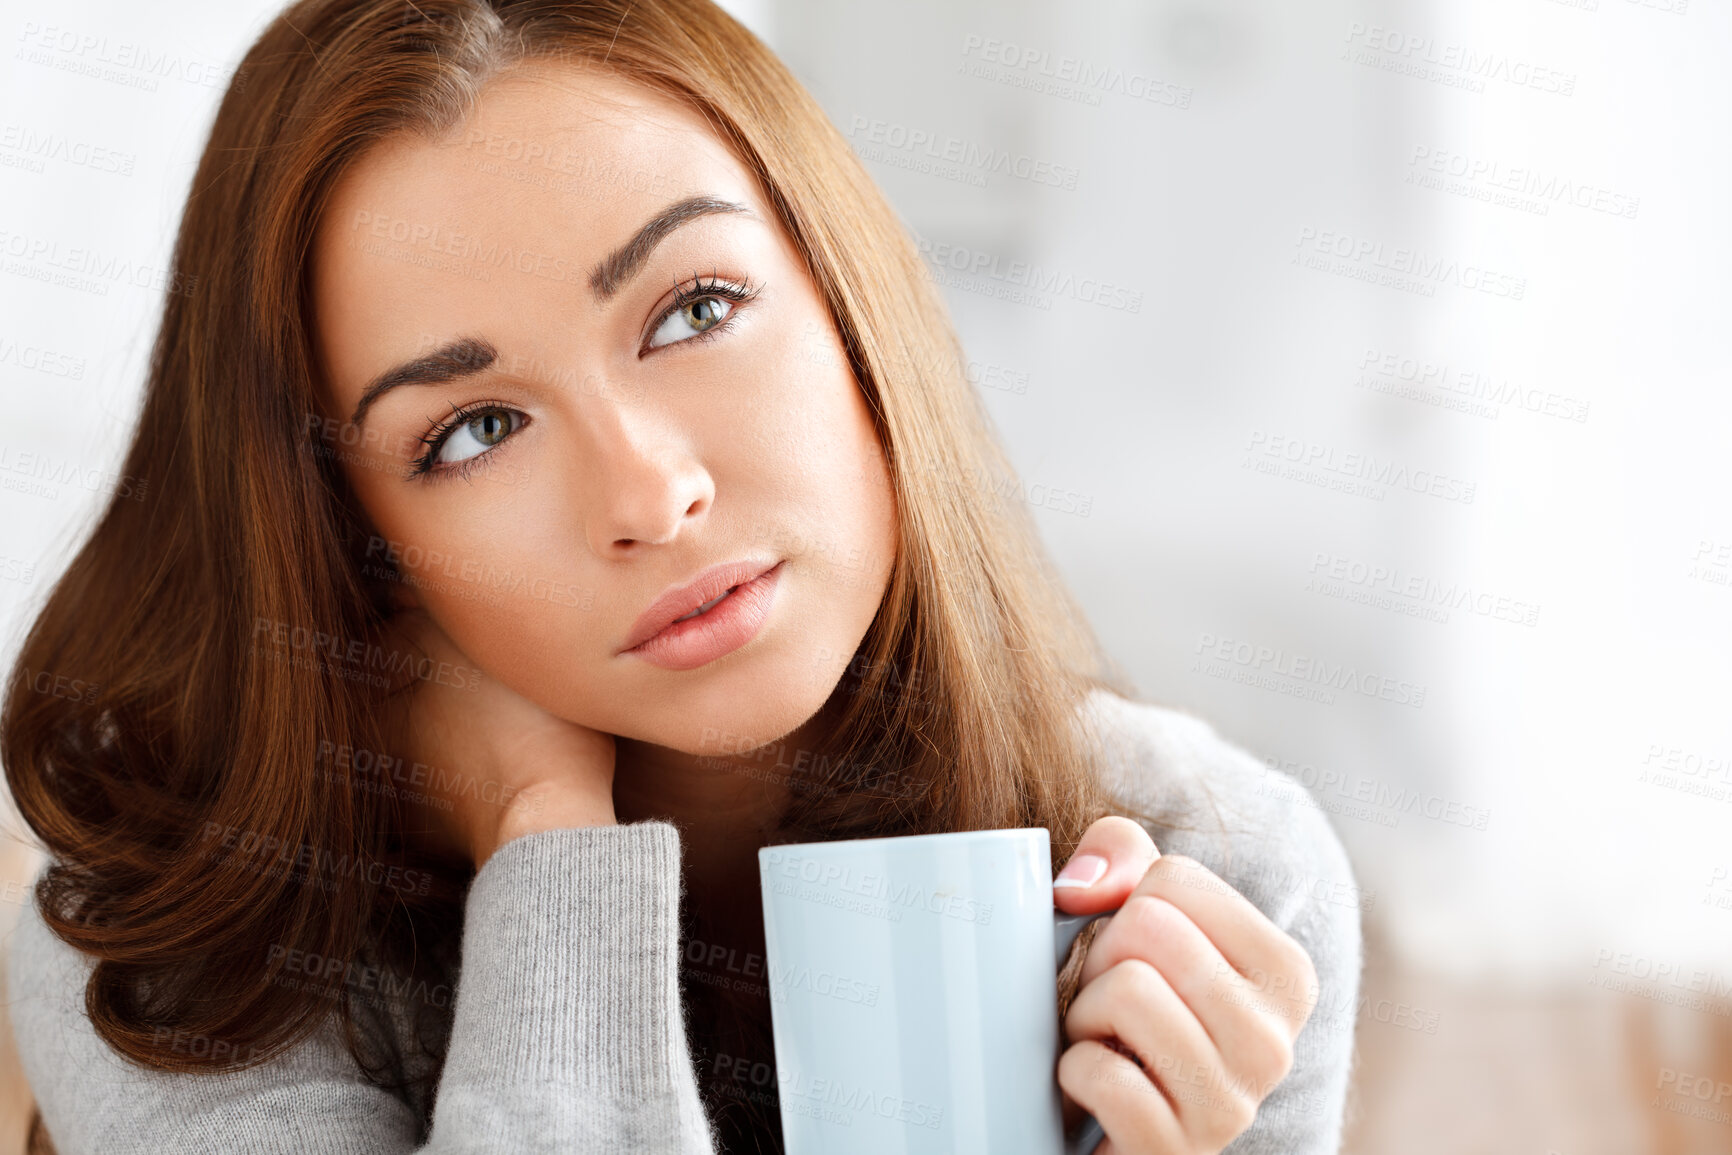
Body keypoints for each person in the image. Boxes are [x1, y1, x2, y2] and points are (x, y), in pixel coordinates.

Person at [3, 1, 1361, 1151]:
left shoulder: (1215, 878)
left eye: (693, 310)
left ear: (848, 297)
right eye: (475, 431)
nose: (652, 495)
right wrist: (548, 843)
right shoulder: (178, 945)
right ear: (351, 535)